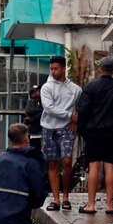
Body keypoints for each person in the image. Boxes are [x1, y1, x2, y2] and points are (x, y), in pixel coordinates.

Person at [75, 57, 113, 216]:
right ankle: (110, 205)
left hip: (93, 131)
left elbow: (83, 110)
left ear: (99, 69)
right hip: (112, 131)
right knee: (110, 166)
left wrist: (82, 129)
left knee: (94, 166)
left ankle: (90, 205)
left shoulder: (91, 87)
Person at [40, 55, 81, 211]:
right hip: (48, 127)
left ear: (64, 68)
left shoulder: (75, 89)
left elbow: (82, 106)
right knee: (52, 163)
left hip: (66, 128)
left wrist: (77, 120)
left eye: (56, 68)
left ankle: (66, 197)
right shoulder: (46, 87)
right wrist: (71, 116)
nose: (53, 72)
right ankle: (56, 199)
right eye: (51, 69)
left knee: (67, 161)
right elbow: (49, 108)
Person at [23, 84, 44, 151]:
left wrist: (33, 118)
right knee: (34, 150)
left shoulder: (44, 102)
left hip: (43, 130)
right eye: (36, 91)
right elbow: (29, 110)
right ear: (32, 94)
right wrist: (40, 111)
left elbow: (45, 112)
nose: (39, 91)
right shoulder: (30, 102)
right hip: (34, 132)